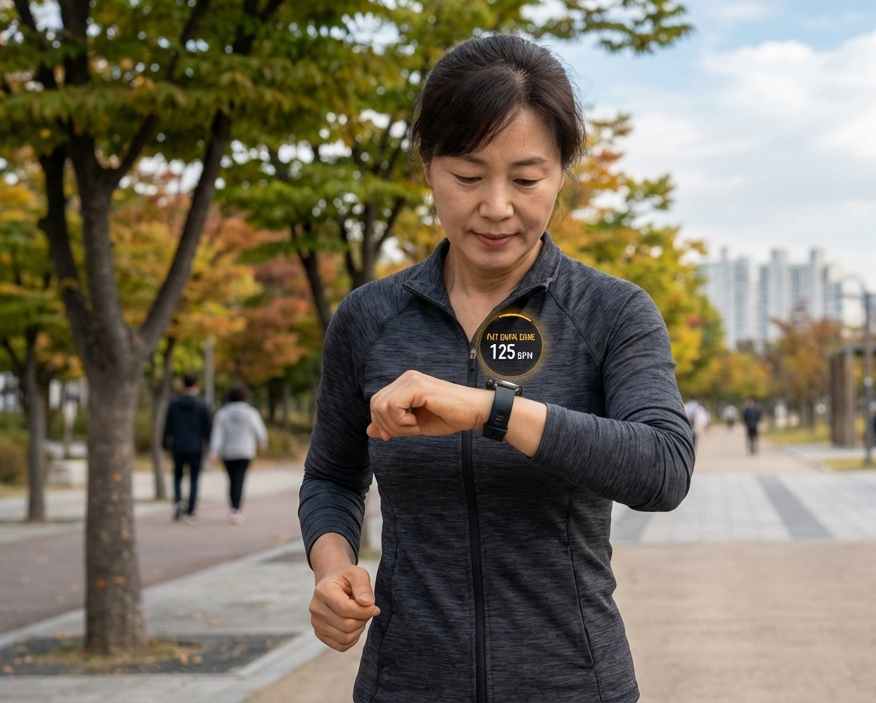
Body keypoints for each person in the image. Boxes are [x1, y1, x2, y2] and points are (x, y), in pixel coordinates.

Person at [298, 35, 694, 702]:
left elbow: (664, 467)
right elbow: (332, 475)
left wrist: (492, 410)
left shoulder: (612, 312)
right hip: (404, 683)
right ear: (428, 167)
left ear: (563, 171)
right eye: (468, 176)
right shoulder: (369, 319)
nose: (497, 206)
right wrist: (332, 567)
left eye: (527, 178)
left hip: (574, 683)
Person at [211, 384, 268, 524]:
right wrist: (262, 442)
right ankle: (236, 510)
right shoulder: (251, 413)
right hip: (245, 451)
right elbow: (259, 429)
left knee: (231, 481)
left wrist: (214, 450)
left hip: (228, 453)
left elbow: (217, 434)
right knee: (240, 480)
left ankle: (233, 508)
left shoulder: (222, 413)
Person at [164, 372, 211, 523]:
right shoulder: (202, 404)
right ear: (196, 385)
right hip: (196, 446)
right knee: (194, 479)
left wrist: (165, 444)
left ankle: (178, 501)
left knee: (177, 476)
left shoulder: (174, 403)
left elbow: (168, 426)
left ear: (182, 385)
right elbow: (207, 428)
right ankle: (191, 512)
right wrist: (208, 445)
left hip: (178, 445)